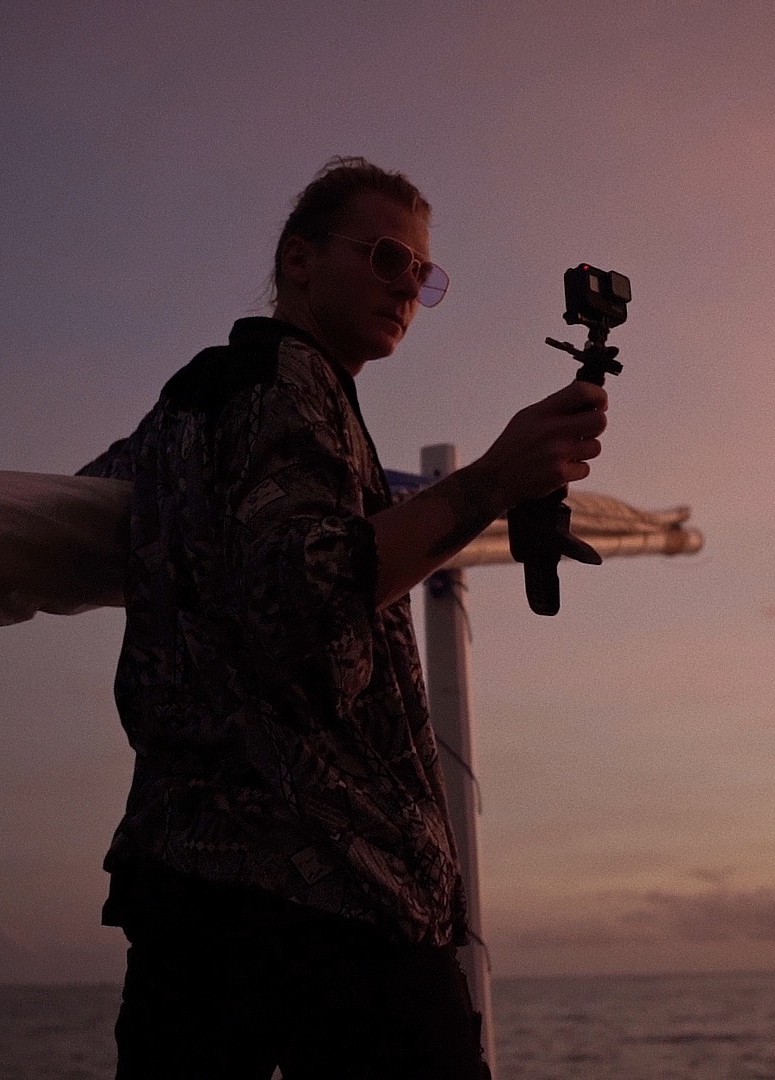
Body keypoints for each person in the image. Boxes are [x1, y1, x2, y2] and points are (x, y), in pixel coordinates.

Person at [78, 157, 606, 1078]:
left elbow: (98, 510)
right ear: (298, 259)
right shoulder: (288, 382)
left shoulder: (190, 404)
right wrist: (490, 481)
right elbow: (308, 588)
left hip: (189, 886)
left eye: (421, 275)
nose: (406, 287)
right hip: (332, 890)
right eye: (387, 257)